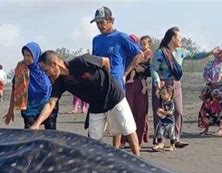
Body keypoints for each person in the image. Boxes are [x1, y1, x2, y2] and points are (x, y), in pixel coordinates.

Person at [30, 51, 140, 156]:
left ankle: (139, 160)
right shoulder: (60, 82)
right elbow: (50, 103)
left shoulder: (82, 61)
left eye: (46, 70)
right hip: (96, 105)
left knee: (128, 128)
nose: (46, 74)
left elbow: (105, 61)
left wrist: (107, 80)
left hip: (114, 96)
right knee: (93, 140)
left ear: (54, 64)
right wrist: (37, 124)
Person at [151, 26, 219, 148]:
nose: (181, 40)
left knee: (178, 111)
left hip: (176, 84)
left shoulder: (181, 52)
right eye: (179, 37)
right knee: (160, 112)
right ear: (173, 38)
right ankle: (160, 141)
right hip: (162, 85)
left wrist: (209, 53)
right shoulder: (161, 52)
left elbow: (195, 55)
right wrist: (157, 82)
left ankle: (176, 138)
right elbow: (153, 69)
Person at [90, 6, 143, 149]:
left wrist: (126, 72)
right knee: (96, 124)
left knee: (122, 123)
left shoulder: (121, 37)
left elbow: (139, 54)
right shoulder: (96, 40)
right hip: (99, 86)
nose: (100, 26)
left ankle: (122, 151)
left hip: (116, 85)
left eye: (102, 22)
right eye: (97, 23)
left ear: (110, 20)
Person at [3, 42, 58, 129]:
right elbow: (15, 90)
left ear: (36, 55)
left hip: (48, 105)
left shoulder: (46, 68)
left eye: (29, 55)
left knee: (51, 134)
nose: (26, 58)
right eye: (24, 55)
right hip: (30, 108)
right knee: (30, 133)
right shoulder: (21, 70)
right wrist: (10, 111)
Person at [198, 49, 222, 136]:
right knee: (206, 108)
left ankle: (221, 129)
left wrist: (220, 81)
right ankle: (205, 128)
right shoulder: (209, 64)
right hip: (210, 89)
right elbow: (205, 74)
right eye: (219, 54)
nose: (221, 56)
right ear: (215, 55)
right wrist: (210, 82)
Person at [153, 86, 176, 152]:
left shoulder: (171, 103)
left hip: (170, 122)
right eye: (162, 93)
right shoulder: (163, 101)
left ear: (170, 94)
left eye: (164, 93)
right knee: (160, 132)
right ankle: (160, 143)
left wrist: (162, 112)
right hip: (163, 121)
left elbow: (170, 112)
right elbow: (157, 94)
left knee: (171, 134)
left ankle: (172, 145)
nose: (162, 95)